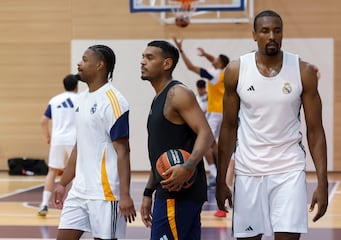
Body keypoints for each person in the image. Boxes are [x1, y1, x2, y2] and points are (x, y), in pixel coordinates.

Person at [216, 10, 328, 240]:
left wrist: (322, 182)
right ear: (254, 35)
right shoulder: (236, 71)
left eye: (277, 31)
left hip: (289, 169)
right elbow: (228, 127)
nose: (272, 36)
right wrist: (220, 180)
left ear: (283, 34)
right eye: (265, 31)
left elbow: (315, 131)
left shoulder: (302, 71)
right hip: (248, 170)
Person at [53, 44, 136, 240]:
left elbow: (123, 151)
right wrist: (63, 183)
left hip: (105, 194)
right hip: (79, 192)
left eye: (84, 60)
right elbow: (79, 145)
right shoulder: (81, 99)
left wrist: (124, 195)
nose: (79, 64)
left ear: (100, 65)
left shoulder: (114, 101)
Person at [140, 40, 214, 240]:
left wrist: (188, 166)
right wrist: (148, 191)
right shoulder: (158, 98)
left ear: (166, 64)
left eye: (149, 57)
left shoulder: (177, 93)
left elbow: (206, 133)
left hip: (179, 194)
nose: (142, 62)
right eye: (142, 57)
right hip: (169, 193)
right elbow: (160, 153)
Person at [172, 36, 230, 188]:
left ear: (219, 63)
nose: (213, 60)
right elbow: (216, 61)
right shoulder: (225, 73)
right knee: (215, 145)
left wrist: (181, 50)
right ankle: (219, 172)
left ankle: (215, 173)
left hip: (215, 113)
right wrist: (206, 55)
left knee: (204, 142)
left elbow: (191, 67)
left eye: (215, 59)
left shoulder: (214, 75)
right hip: (225, 113)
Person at [38, 73, 78, 217]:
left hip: (58, 139)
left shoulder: (54, 100)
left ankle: (43, 205)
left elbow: (43, 121)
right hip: (75, 140)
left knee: (52, 172)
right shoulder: (81, 99)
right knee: (79, 171)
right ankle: (76, 206)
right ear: (76, 86)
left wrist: (47, 136)